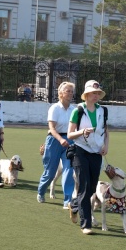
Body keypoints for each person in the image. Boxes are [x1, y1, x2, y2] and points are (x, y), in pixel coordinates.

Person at [67, 80, 109, 235]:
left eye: (98, 93)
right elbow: (70, 134)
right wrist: (82, 132)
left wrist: (106, 146)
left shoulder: (103, 111)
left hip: (96, 152)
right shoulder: (78, 110)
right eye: (93, 93)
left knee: (91, 188)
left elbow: (106, 131)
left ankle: (74, 205)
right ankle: (86, 224)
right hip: (80, 150)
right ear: (86, 95)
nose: (96, 95)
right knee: (84, 187)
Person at [37, 81, 75, 209]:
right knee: (50, 172)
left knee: (69, 170)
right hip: (54, 140)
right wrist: (60, 139)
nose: (70, 93)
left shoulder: (74, 110)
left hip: (69, 140)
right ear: (60, 93)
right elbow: (52, 128)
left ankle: (67, 201)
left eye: (71, 91)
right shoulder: (54, 108)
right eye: (67, 91)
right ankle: (41, 191)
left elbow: (76, 127)